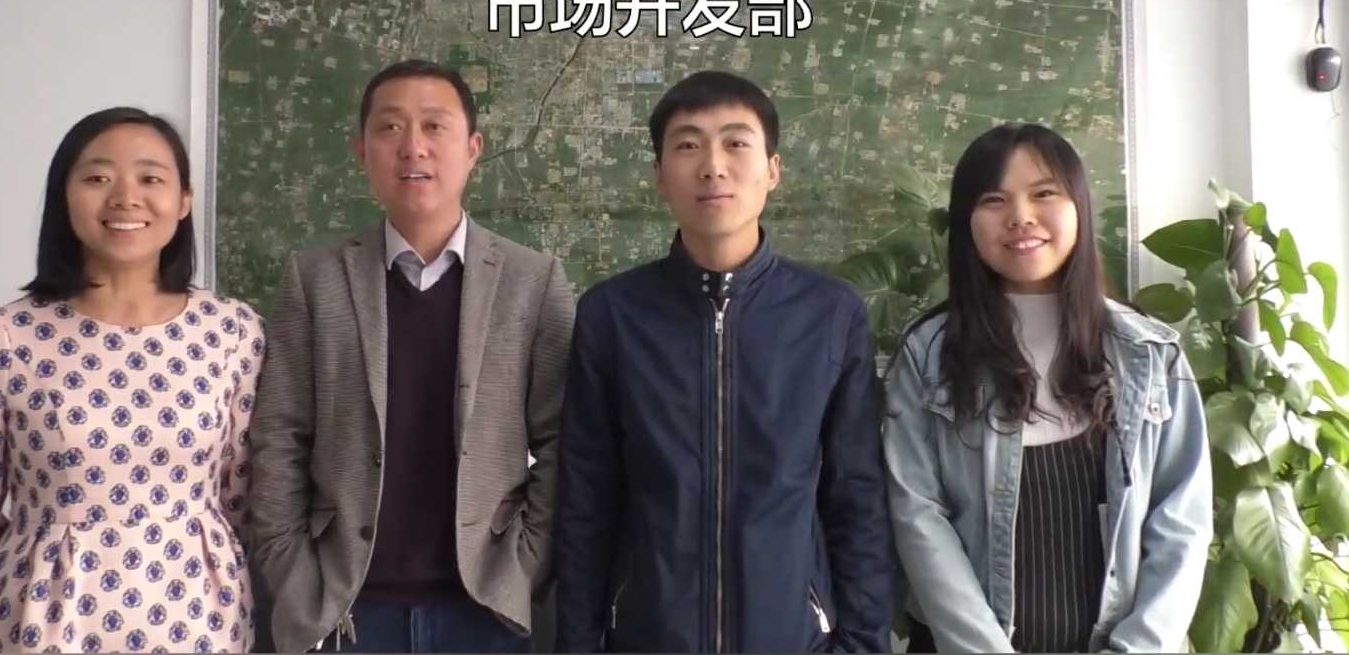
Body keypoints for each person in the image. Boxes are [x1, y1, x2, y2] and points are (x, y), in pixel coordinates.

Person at [555, 70, 894, 653]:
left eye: (736, 143)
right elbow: (587, 499)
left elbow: (856, 496)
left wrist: (863, 645)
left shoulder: (830, 315)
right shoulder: (612, 314)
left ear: (773, 170)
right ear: (660, 175)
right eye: (688, 145)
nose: (713, 166)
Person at [247, 59, 575, 653]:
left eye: (434, 126)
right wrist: (294, 578)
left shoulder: (533, 281)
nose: (413, 147)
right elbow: (279, 437)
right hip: (345, 609)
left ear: (473, 149)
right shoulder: (315, 279)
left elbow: (564, 441)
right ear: (361, 151)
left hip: (484, 611)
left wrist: (524, 565)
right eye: (391, 128)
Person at [0, 107, 263, 653]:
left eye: (151, 178)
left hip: (201, 623)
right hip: (39, 627)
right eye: (97, 178)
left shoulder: (233, 333)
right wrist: (24, 593)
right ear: (64, 197)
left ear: (184, 200)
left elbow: (244, 497)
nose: (125, 198)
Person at [883, 123, 1211, 653]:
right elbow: (917, 514)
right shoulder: (928, 354)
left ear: (1078, 206)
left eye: (1043, 194)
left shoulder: (1150, 353)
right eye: (994, 200)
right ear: (966, 223)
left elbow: (1182, 522)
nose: (1021, 217)